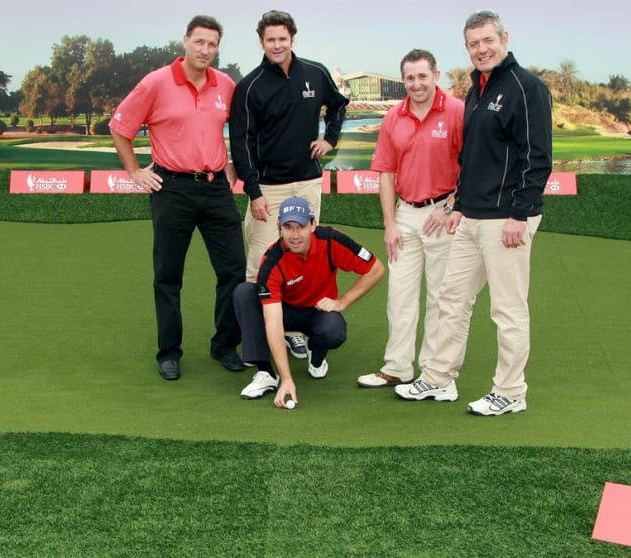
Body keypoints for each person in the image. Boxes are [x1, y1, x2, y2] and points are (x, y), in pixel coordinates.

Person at [395, 10, 552, 415]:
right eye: (474, 44)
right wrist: (459, 205)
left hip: (507, 219)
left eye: (488, 40)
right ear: (467, 48)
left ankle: (511, 392)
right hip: (472, 216)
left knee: (507, 308)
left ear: (504, 38)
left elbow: (537, 157)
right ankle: (438, 378)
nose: (481, 49)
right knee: (451, 298)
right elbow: (473, 157)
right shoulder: (478, 89)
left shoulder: (526, 87)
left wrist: (521, 214)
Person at [109, 15, 246, 381]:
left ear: (218, 48)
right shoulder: (156, 82)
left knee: (233, 271)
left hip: (217, 189)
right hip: (172, 189)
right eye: (199, 42)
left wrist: (234, 163)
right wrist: (135, 171)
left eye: (212, 44)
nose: (205, 50)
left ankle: (224, 346)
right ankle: (169, 352)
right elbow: (120, 126)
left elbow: (245, 127)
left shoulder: (226, 85)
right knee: (168, 276)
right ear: (185, 41)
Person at [229, 9, 349, 361]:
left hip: (308, 183)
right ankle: (260, 345)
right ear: (261, 42)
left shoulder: (315, 72)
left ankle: (293, 330)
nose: (277, 45)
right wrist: (253, 192)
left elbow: (338, 106)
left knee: (301, 258)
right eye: (270, 40)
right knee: (261, 264)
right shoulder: (249, 86)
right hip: (268, 189)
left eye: (283, 38)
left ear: (292, 38)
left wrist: (331, 139)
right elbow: (242, 143)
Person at [355, 49, 464, 389]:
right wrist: (389, 224)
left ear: (436, 75)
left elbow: (473, 166)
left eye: (422, 76)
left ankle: (433, 371)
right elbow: (385, 173)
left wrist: (449, 206)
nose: (416, 84)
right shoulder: (393, 118)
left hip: (442, 216)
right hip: (404, 215)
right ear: (403, 80)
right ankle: (397, 367)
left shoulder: (457, 112)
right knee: (399, 296)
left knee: (440, 298)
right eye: (410, 78)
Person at [234, 197, 385, 407]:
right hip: (284, 310)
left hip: (317, 310)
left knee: (334, 330)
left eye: (301, 227)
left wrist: (342, 302)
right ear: (279, 228)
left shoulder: (332, 240)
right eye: (288, 227)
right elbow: (273, 323)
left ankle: (315, 353)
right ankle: (266, 373)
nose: (295, 235)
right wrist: (286, 378)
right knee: (244, 293)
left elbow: (376, 269)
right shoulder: (272, 261)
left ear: (313, 225)